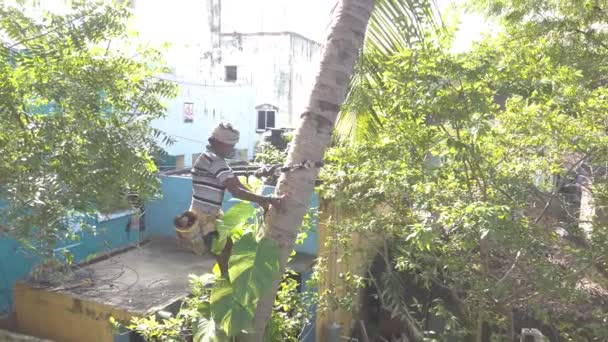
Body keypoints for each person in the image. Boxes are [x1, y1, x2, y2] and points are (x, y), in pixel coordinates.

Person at [174, 122, 284, 275]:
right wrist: (266, 200)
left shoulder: (208, 158)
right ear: (219, 143)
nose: (232, 149)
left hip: (209, 215)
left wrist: (261, 200)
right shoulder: (214, 161)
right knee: (226, 258)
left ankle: (227, 283)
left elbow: (236, 184)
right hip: (205, 219)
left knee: (227, 256)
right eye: (230, 145)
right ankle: (228, 286)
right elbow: (236, 191)